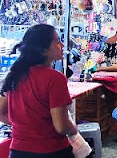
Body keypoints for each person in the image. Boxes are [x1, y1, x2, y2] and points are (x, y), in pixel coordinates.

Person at [0, 24, 77, 158]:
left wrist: (27, 127)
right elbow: (61, 126)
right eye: (57, 41)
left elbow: (0, 112)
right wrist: (74, 128)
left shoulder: (15, 74)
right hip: (50, 151)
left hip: (18, 151)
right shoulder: (55, 78)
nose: (62, 45)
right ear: (43, 50)